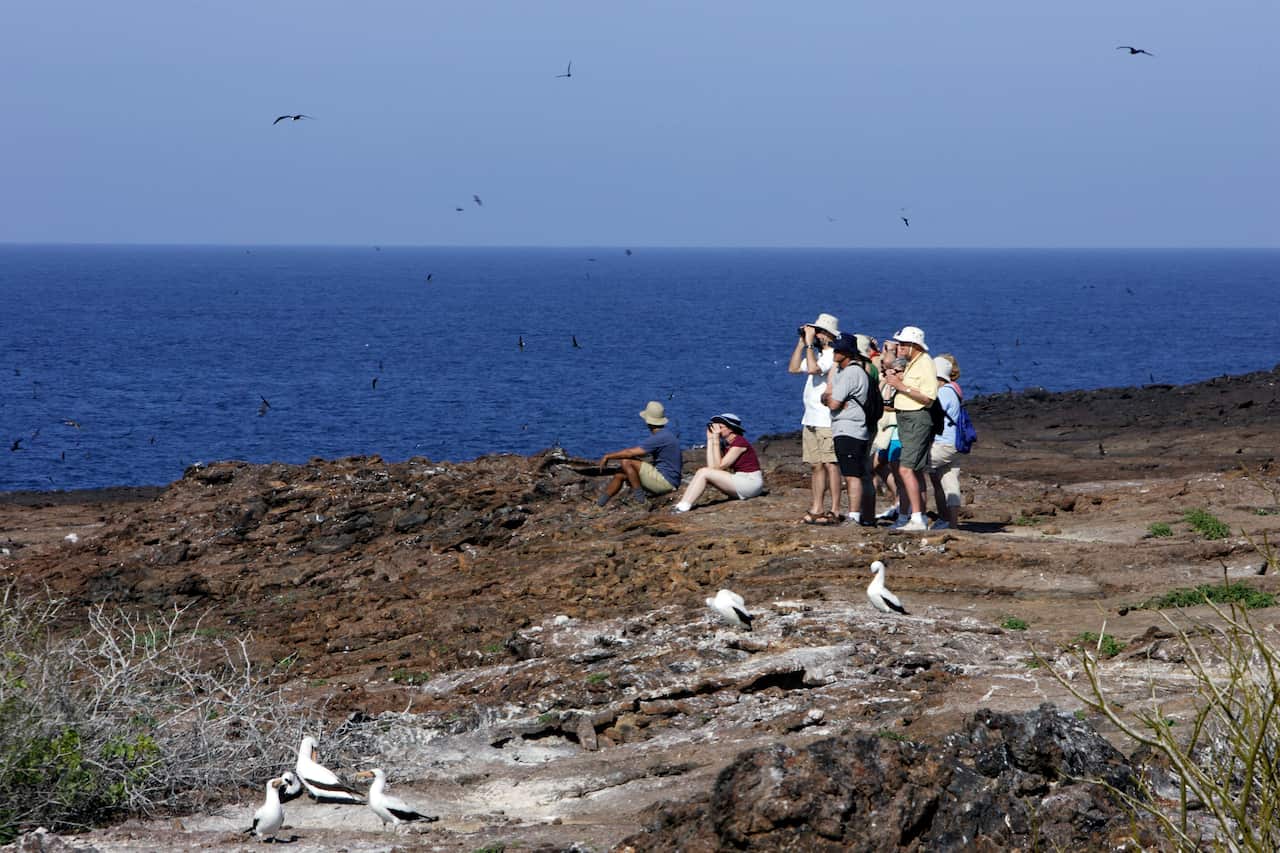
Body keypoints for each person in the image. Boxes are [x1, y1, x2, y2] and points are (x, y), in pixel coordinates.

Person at [881, 326, 938, 532]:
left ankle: (917, 518)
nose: (900, 347)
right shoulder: (913, 363)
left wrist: (900, 385)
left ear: (914, 345)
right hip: (906, 418)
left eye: (904, 344)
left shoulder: (924, 363)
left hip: (916, 418)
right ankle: (915, 515)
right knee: (914, 470)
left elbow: (928, 397)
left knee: (905, 469)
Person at [787, 312, 842, 524]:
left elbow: (812, 369)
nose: (815, 335)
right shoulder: (817, 354)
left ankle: (835, 509)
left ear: (827, 334)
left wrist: (809, 345)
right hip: (810, 418)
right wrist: (802, 344)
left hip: (826, 419)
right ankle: (817, 506)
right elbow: (793, 368)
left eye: (818, 332)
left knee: (831, 464)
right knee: (815, 465)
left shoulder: (832, 355)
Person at [821, 334, 874, 525]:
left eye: (838, 350)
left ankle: (854, 516)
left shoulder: (851, 373)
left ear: (848, 353)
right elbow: (828, 397)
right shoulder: (844, 372)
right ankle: (858, 515)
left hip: (850, 429)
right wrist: (830, 399)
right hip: (846, 429)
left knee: (852, 475)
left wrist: (831, 399)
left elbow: (833, 402)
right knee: (851, 474)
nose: (835, 352)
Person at [671, 413, 764, 513]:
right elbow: (712, 467)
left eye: (720, 427)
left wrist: (715, 439)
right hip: (742, 481)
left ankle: (683, 506)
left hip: (750, 482)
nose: (717, 430)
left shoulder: (740, 443)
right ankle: (682, 504)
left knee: (703, 472)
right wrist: (710, 439)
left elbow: (720, 466)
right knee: (704, 472)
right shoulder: (727, 443)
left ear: (731, 429)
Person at [597, 401, 682, 507]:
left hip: (666, 483)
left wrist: (607, 456)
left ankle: (640, 500)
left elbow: (629, 453)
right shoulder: (666, 435)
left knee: (626, 462)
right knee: (620, 473)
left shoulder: (659, 438)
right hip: (669, 480)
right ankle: (599, 504)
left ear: (648, 421)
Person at [928, 354, 963, 530]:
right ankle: (952, 522)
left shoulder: (942, 392)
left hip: (942, 443)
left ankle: (914, 514)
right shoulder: (955, 390)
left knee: (912, 468)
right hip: (955, 443)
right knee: (950, 482)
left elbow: (932, 415)